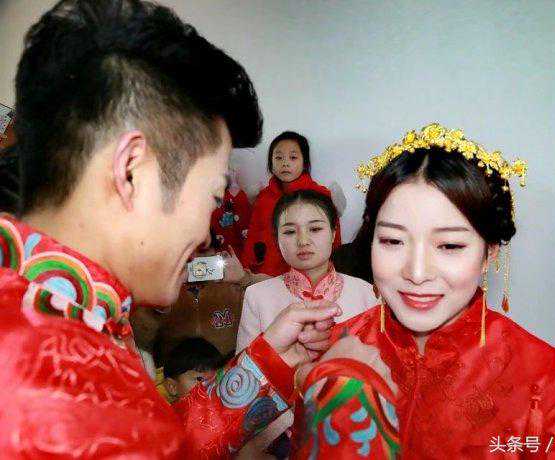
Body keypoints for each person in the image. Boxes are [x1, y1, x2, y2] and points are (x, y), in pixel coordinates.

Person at [0, 1, 381, 458]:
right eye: (214, 197)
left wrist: (272, 361)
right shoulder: (37, 367)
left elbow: (151, 439)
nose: (205, 236)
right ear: (131, 171)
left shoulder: (56, 314)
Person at [291, 124, 555, 459]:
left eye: (449, 245)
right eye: (392, 240)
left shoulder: (545, 379)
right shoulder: (336, 348)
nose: (417, 273)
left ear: (489, 254)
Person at [236, 190, 377, 457]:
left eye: (315, 229)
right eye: (290, 232)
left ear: (333, 233)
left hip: (354, 427)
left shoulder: (366, 293)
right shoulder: (257, 295)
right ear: (277, 239)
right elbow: (244, 375)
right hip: (279, 435)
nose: (303, 240)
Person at [241, 131, 342, 276]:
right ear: (271, 163)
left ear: (304, 162)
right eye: (279, 158)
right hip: (268, 275)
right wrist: (246, 272)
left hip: (309, 275)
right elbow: (253, 236)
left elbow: (334, 241)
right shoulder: (263, 197)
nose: (285, 163)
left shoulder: (320, 195)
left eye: (293, 157)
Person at [162, 337, 225, 403]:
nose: (210, 386)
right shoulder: (162, 409)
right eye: (199, 379)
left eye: (216, 379)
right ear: (172, 386)